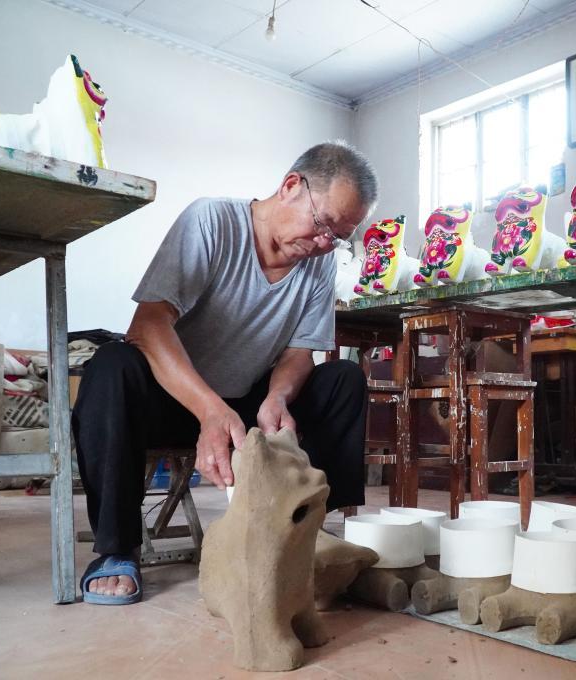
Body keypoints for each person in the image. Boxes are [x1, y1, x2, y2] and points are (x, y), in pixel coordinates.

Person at [72, 141, 378, 605]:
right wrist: (208, 410)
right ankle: (116, 548)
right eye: (322, 225)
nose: (324, 244)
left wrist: (277, 398)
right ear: (291, 186)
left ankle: (311, 534)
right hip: (174, 397)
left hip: (244, 404)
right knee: (111, 366)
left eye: (338, 237)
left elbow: (299, 352)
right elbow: (148, 326)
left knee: (343, 380)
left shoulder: (319, 263)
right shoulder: (213, 222)